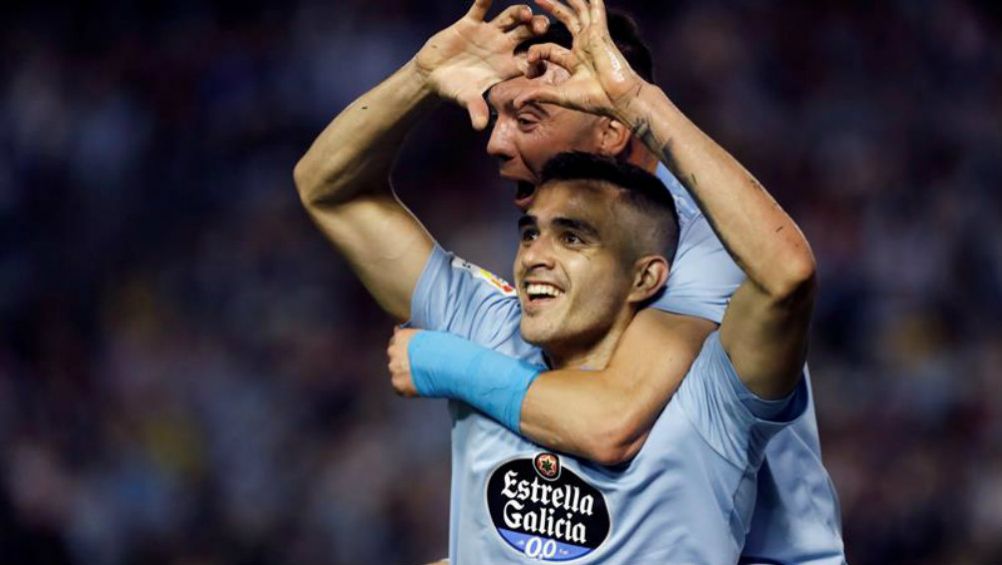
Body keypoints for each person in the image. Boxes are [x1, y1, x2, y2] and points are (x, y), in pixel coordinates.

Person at [293, 0, 839, 561]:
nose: (495, 143)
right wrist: (422, 78)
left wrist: (442, 360)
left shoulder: (712, 250)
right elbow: (328, 189)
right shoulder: (500, 316)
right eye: (531, 234)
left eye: (528, 119)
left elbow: (608, 422)